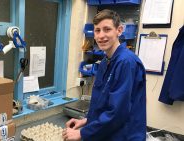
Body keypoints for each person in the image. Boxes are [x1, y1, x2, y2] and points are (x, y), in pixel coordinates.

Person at [62, 9, 146, 141]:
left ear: (119, 30)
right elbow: (101, 102)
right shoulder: (105, 61)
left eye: (107, 29)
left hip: (124, 135)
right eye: (97, 30)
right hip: (107, 133)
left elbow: (117, 112)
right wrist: (87, 121)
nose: (101, 36)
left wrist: (82, 133)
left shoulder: (126, 62)